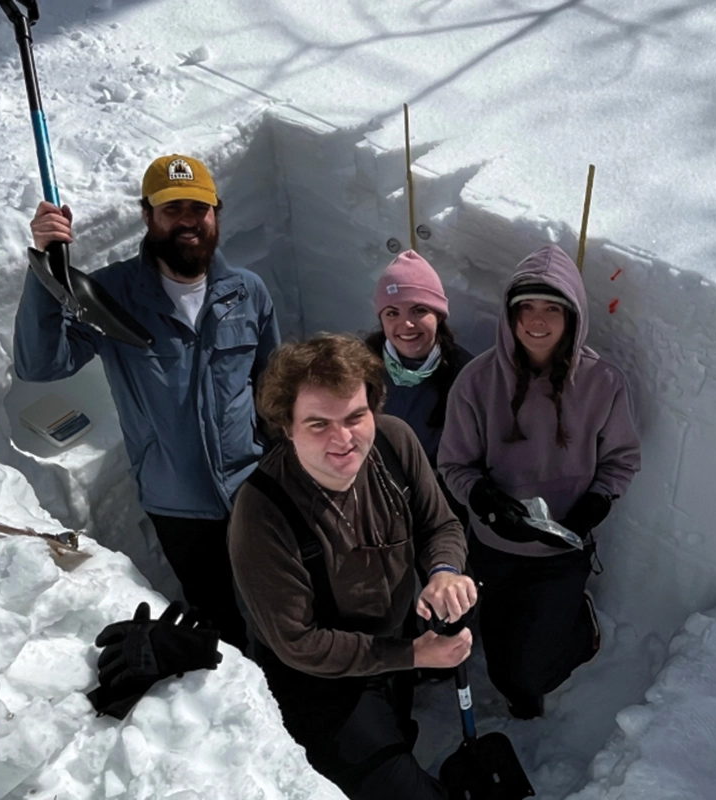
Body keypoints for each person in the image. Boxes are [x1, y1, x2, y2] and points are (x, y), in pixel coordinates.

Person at [14, 154, 279, 652]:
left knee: (280, 603)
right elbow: (41, 365)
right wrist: (45, 268)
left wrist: (279, 465)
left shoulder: (248, 292)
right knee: (216, 619)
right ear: (147, 215)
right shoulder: (112, 293)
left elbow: (272, 389)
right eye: (172, 209)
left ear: (216, 213)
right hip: (177, 505)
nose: (187, 220)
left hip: (253, 490)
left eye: (198, 208)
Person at [229, 333, 476, 800]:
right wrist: (414, 655)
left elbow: (438, 524)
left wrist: (444, 572)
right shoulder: (263, 513)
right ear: (287, 426)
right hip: (320, 682)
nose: (343, 440)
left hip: (394, 643)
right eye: (318, 424)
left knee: (397, 735)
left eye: (355, 417)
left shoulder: (394, 444)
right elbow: (298, 642)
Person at [437, 244, 641, 720]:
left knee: (528, 678)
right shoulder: (476, 382)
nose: (536, 320)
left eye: (552, 308)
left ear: (572, 315)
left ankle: (578, 629)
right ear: (510, 314)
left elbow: (621, 460)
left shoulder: (604, 383)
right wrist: (483, 500)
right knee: (499, 661)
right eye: (525, 307)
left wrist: (596, 504)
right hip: (494, 544)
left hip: (563, 548)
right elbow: (454, 465)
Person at [365, 250, 473, 472]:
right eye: (392, 313)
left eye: (419, 311)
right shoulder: (359, 368)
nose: (407, 324)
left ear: (439, 315)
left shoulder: (466, 376)